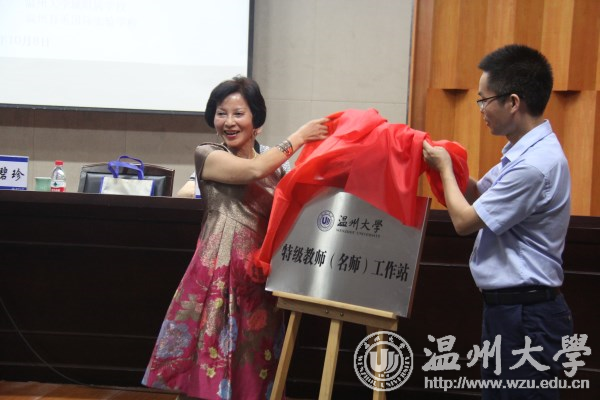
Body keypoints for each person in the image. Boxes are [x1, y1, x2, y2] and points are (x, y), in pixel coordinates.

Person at [142, 76, 329, 399]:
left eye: (238, 113)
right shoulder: (208, 154)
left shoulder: (278, 167)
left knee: (254, 364)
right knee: (209, 363)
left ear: (256, 120)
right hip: (217, 274)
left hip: (258, 280)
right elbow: (252, 172)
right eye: (221, 113)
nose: (228, 122)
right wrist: (299, 136)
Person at [422, 44, 573, 399]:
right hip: (512, 312)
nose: (481, 110)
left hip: (527, 316)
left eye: (484, 100)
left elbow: (464, 221)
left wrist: (445, 168)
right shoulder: (523, 153)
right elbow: (478, 194)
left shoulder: (534, 165)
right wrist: (449, 163)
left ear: (513, 102)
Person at [176, 139, 291, 198]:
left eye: (239, 114)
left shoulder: (274, 157)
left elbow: (289, 198)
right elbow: (185, 193)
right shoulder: (214, 155)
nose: (230, 123)